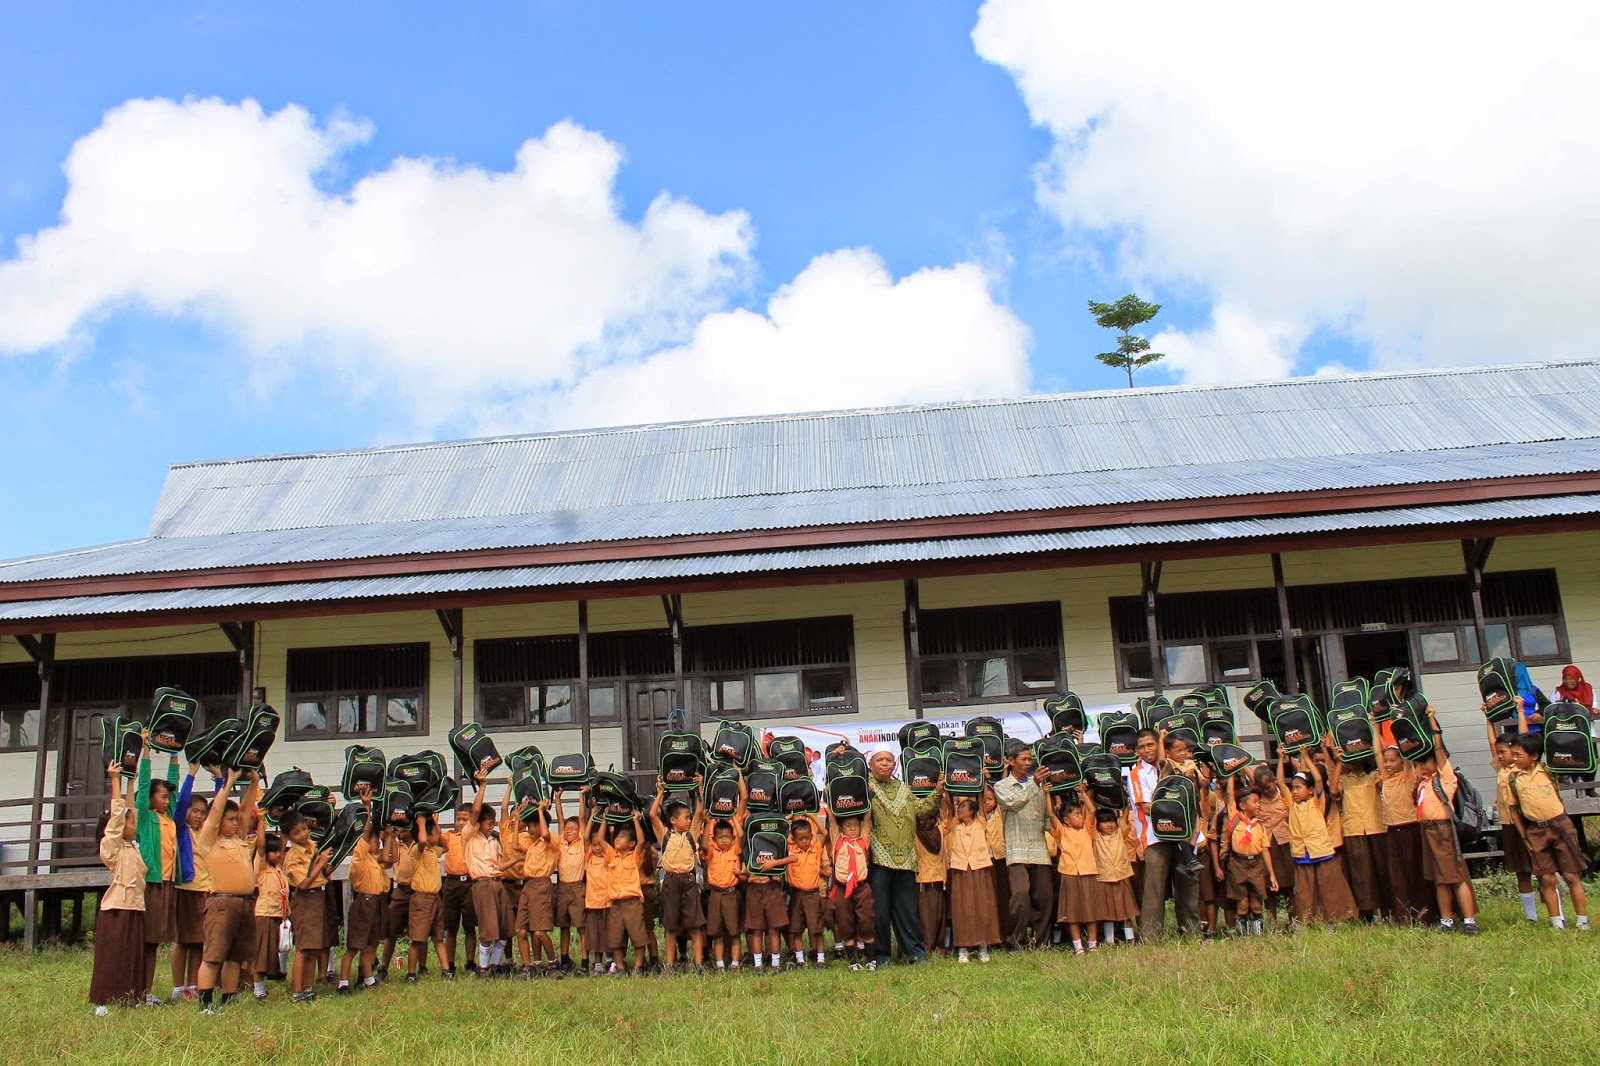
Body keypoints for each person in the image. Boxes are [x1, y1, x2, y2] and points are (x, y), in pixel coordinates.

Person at [194, 768, 261, 1014]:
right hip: (221, 903)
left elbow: (246, 810)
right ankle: (205, 1004)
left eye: (236, 821)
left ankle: (228, 1000)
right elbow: (214, 813)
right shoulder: (209, 840)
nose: (235, 823)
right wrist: (230, 781)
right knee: (214, 955)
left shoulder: (239, 838)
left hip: (244, 903)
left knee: (235, 956)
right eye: (230, 820)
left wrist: (253, 782)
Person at [1508, 732, 1591, 929]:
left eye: (1519, 754)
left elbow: (1569, 756)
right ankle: (1556, 922)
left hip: (1559, 825)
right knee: (1546, 877)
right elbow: (1513, 810)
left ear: (1534, 756)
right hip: (1536, 830)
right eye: (1513, 754)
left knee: (1571, 875)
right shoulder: (1513, 778)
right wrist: (1524, 836)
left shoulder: (1548, 770)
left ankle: (1582, 920)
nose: (1515, 758)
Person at [865, 749, 941, 965]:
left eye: (889, 760)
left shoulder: (903, 789)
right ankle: (881, 955)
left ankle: (914, 953)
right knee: (879, 911)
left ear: (894, 764)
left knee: (907, 910)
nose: (885, 764)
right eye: (880, 760)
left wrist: (937, 792)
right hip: (879, 859)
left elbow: (922, 810)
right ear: (871, 764)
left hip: (906, 859)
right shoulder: (866, 788)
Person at [1412, 705, 1480, 935]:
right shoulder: (1422, 782)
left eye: (1425, 763)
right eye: (1419, 764)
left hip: (1443, 830)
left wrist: (1432, 721)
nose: (1421, 768)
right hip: (1427, 830)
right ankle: (1446, 920)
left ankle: (1469, 920)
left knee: (1456, 876)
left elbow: (1439, 749)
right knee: (1440, 879)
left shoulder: (1445, 778)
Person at [90, 757, 148, 1015]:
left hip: (135, 906)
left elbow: (129, 811)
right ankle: (104, 1001)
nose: (133, 824)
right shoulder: (111, 846)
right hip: (117, 908)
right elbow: (119, 815)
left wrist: (131, 779)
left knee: (133, 955)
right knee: (112, 955)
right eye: (130, 823)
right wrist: (115, 780)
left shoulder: (132, 847)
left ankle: (130, 997)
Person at [1278, 747, 1357, 926]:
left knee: (1328, 888)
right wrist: (1280, 760)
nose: (1295, 792)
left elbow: (1320, 780)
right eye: (1294, 788)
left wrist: (1306, 757)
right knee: (1306, 891)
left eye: (1299, 788)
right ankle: (1309, 921)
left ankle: (1334, 920)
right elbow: (1280, 782)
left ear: (1311, 790)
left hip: (1320, 851)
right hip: (1301, 853)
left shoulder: (1316, 803)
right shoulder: (1292, 806)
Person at [991, 741, 1053, 951]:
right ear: (1010, 761)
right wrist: (1034, 784)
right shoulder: (1002, 786)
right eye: (1023, 759)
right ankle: (1014, 940)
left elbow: (1045, 817)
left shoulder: (1039, 785)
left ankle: (1040, 941)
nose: (1028, 763)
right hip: (1016, 850)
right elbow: (1012, 803)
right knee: (1020, 896)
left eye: (1030, 759)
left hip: (1040, 849)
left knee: (1044, 897)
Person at [134, 740, 181, 1005]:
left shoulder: (169, 818)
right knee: (147, 941)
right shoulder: (145, 817)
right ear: (152, 798)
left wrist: (174, 751)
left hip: (167, 883)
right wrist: (147, 752)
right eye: (162, 796)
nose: (166, 800)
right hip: (151, 883)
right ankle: (141, 991)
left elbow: (173, 785)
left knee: (155, 941)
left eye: (167, 797)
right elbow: (142, 788)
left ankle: (146, 990)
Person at [339, 787, 396, 994]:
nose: (377, 844)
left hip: (378, 903)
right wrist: (367, 807)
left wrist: (389, 836)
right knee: (354, 945)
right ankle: (343, 982)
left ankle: (368, 978)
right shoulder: (360, 855)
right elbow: (364, 831)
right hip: (364, 902)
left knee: (371, 944)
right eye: (376, 841)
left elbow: (391, 858)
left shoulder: (375, 860)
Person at [1329, 741, 1390, 922]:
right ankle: (1366, 913)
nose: (1352, 762)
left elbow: (1385, 780)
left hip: (1376, 827)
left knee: (1380, 870)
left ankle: (1386, 911)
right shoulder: (1343, 780)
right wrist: (1339, 762)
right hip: (1353, 831)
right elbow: (1333, 790)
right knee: (1361, 874)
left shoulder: (1373, 776)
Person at [649, 789, 705, 972]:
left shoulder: (691, 835)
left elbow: (700, 811)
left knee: (695, 925)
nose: (689, 821)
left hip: (688, 882)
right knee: (670, 926)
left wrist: (699, 789)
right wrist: (660, 793)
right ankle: (670, 965)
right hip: (671, 882)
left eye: (689, 818)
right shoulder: (665, 836)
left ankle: (698, 964)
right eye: (685, 818)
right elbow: (652, 814)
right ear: (673, 820)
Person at [1487, 726, 1539, 923]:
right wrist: (1489, 720)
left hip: (1527, 824)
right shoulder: (1501, 768)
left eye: (1504, 752)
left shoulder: (1520, 768)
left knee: (1542, 870)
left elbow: (1524, 735)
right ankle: (1531, 915)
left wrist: (1519, 710)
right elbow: (1492, 743)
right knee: (1521, 872)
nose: (1500, 756)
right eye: (1498, 752)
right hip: (1509, 825)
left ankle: (1556, 913)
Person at [282, 811, 333, 1002]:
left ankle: (308, 988)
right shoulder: (292, 856)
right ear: (288, 837)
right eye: (296, 833)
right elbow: (303, 883)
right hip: (305, 901)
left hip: (319, 896)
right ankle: (297, 991)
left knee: (314, 947)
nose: (303, 834)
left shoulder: (314, 846)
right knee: (304, 948)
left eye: (304, 828)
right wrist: (320, 863)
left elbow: (324, 872)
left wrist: (328, 862)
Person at [942, 794, 999, 963]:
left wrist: (981, 778)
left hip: (979, 867)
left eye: (963, 807)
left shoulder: (981, 822)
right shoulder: (954, 825)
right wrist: (948, 791)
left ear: (972, 811)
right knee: (962, 908)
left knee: (982, 907)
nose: (959, 810)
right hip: (960, 868)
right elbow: (948, 806)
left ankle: (983, 947)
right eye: (958, 808)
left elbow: (981, 800)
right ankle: (963, 948)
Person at [171, 762, 210, 1003]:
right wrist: (191, 774)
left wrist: (219, 777)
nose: (198, 816)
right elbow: (181, 802)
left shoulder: (205, 832)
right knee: (184, 941)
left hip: (205, 890)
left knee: (198, 942)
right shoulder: (180, 830)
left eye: (202, 813)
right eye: (195, 811)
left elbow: (219, 811)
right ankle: (178, 987)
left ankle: (194, 985)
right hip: (186, 889)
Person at [463, 774, 509, 976]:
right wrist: (483, 785)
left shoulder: (494, 841)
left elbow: (499, 865)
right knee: (488, 930)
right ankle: (483, 968)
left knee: (505, 928)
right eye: (489, 823)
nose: (492, 827)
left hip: (497, 883)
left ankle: (495, 965)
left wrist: (517, 860)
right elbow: (475, 811)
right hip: (482, 885)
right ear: (479, 823)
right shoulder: (469, 837)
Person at [1048, 789, 1099, 954]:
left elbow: (1092, 811)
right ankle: (1077, 944)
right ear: (1066, 820)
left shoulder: (1088, 830)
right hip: (1069, 873)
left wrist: (1083, 794)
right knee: (1072, 911)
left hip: (1088, 872)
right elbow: (1050, 814)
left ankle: (1093, 942)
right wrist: (1046, 795)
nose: (1080, 817)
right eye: (1076, 814)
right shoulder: (1062, 832)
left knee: (1091, 909)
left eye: (1080, 813)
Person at [1222, 781, 1276, 936]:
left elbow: (1265, 850)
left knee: (1256, 901)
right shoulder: (1235, 818)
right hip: (1238, 864)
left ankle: (1258, 934)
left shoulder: (1259, 826)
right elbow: (1230, 795)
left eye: (1259, 802)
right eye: (1255, 802)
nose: (1258, 805)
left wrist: (1272, 874)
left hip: (1256, 864)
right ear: (1243, 806)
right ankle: (1243, 935)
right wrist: (1232, 772)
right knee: (1242, 902)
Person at [514, 800, 561, 977]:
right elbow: (515, 844)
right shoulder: (532, 844)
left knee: (539, 931)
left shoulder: (550, 840)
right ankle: (528, 965)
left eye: (531, 827)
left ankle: (553, 963)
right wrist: (519, 818)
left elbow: (545, 834)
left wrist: (541, 811)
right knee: (521, 930)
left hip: (541, 885)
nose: (528, 831)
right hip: (528, 885)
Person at [703, 785, 746, 971]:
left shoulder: (735, 850)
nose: (724, 840)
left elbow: (741, 835)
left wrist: (732, 817)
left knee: (734, 932)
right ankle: (720, 963)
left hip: (731, 895)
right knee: (717, 932)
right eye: (720, 837)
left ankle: (735, 962)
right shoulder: (712, 851)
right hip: (715, 895)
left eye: (727, 837)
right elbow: (704, 844)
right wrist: (708, 823)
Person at [828, 808, 875, 971]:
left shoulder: (863, 841)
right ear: (842, 828)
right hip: (842, 890)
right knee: (845, 924)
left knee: (867, 922)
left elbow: (867, 822)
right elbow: (832, 822)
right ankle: (853, 961)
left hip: (862, 888)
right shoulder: (838, 842)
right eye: (849, 826)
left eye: (856, 825)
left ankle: (870, 959)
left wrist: (867, 803)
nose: (853, 829)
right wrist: (830, 798)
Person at [405, 813, 450, 983]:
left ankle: (446, 970)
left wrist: (436, 824)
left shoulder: (433, 851)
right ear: (428, 836)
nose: (439, 836)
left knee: (439, 937)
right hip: (422, 898)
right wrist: (421, 823)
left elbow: (446, 848)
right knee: (417, 938)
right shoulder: (418, 850)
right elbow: (423, 841)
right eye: (436, 833)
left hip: (435, 898)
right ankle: (411, 973)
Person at [607, 811, 651, 974]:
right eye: (617, 836)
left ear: (631, 843)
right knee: (616, 938)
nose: (618, 839)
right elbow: (601, 841)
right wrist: (605, 820)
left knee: (638, 936)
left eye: (623, 836)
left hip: (632, 902)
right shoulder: (612, 857)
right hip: (616, 903)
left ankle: (639, 966)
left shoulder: (634, 857)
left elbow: (641, 841)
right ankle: (619, 966)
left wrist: (636, 821)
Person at [551, 789, 590, 972]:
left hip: (577, 887)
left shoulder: (582, 843)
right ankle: (565, 959)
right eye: (567, 829)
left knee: (581, 926)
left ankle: (584, 961)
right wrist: (557, 798)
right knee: (563, 925)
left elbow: (582, 819)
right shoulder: (561, 843)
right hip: (562, 887)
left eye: (573, 829)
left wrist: (581, 796)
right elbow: (560, 819)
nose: (569, 831)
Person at [785, 815, 830, 968]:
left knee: (816, 929)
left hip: (813, 894)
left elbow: (824, 833)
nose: (804, 841)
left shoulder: (816, 849)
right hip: (796, 894)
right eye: (800, 839)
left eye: (806, 838)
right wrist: (788, 819)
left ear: (811, 836)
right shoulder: (791, 851)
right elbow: (781, 836)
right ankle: (800, 959)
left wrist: (812, 817)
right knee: (796, 929)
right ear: (793, 839)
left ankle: (821, 959)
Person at [1251, 762, 1293, 928]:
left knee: (1289, 884)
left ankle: (1294, 920)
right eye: (1262, 788)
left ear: (1274, 781)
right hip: (1266, 846)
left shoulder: (1283, 795)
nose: (1266, 791)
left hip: (1284, 843)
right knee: (1268, 887)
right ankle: (1273, 922)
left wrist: (1282, 759)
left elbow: (1282, 782)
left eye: (1268, 786)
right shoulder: (1257, 800)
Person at [439, 804, 477, 977]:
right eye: (458, 819)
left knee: (469, 925)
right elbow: (436, 837)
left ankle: (470, 963)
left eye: (465, 820)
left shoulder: (472, 838)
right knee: (451, 927)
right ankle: (450, 964)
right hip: (451, 883)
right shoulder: (449, 837)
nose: (460, 823)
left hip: (469, 882)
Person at [251, 832, 289, 1001]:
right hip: (264, 914)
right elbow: (259, 847)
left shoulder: (278, 870)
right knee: (262, 953)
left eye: (280, 851)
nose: (279, 854)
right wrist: (261, 823)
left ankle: (264, 985)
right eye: (274, 851)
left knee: (271, 952)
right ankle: (258, 988)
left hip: (278, 915)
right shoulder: (261, 869)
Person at [913, 805, 947, 957]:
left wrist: (942, 795)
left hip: (940, 880)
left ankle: (940, 948)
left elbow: (949, 816)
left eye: (930, 818)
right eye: (923, 819)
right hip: (923, 883)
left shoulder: (940, 831)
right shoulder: (914, 834)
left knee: (940, 916)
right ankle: (926, 947)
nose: (927, 822)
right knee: (926, 919)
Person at [582, 821, 615, 976]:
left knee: (610, 933)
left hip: (608, 901)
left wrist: (604, 820)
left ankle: (613, 961)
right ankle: (598, 963)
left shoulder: (609, 857)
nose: (597, 848)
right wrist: (594, 816)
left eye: (599, 845)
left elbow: (602, 839)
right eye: (594, 845)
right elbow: (586, 837)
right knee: (595, 935)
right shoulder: (589, 858)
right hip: (592, 902)